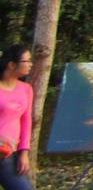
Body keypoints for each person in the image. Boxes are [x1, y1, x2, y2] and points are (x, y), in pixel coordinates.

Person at [0, 43, 33, 190]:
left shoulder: (26, 89)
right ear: (12, 64)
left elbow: (26, 121)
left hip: (9, 156)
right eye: (26, 61)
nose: (30, 64)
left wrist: (24, 152)